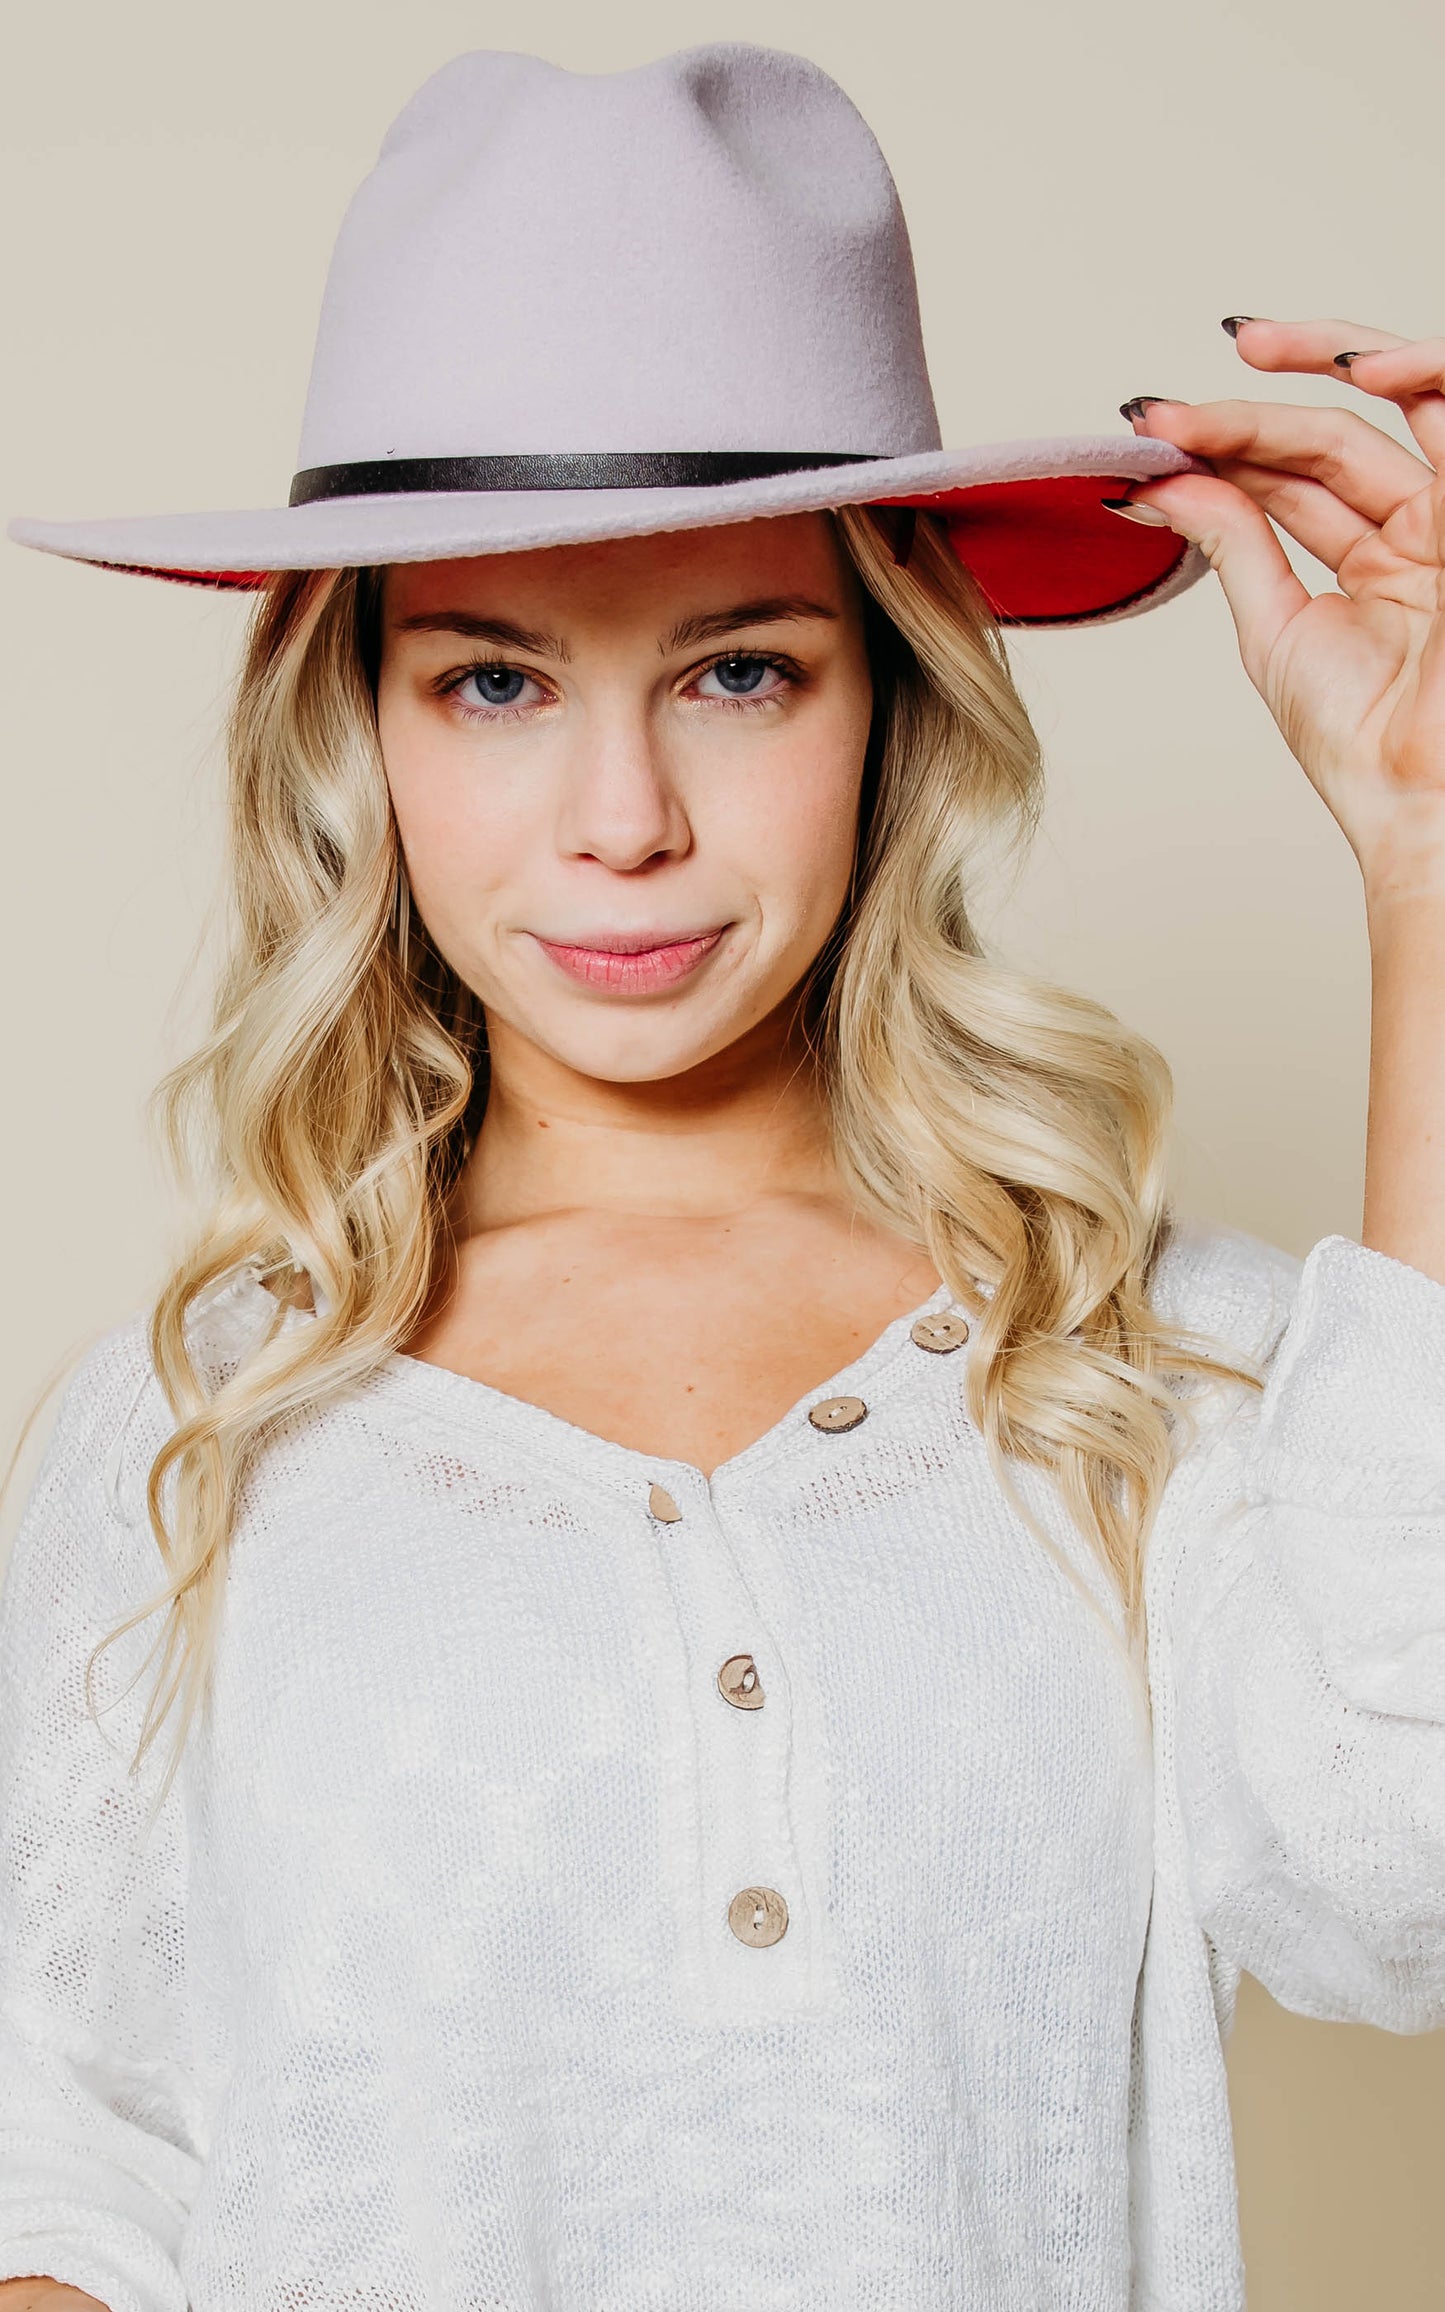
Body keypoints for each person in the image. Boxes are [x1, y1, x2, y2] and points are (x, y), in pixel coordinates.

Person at [2, 40, 1444, 2312]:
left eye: (743, 672)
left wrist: (1429, 856)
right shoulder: (195, 1426)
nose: (622, 820)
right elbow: (66, 2163)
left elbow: (1406, 1890)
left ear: (894, 699)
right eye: (491, 685)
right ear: (356, 725)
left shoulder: (1164, 1368)